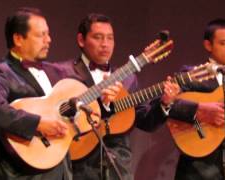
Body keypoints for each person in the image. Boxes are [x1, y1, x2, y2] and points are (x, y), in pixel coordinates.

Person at [0, 8, 121, 180]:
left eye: (48, 34)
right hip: (20, 175)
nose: (49, 40)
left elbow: (78, 114)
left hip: (61, 174)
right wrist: (38, 123)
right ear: (18, 39)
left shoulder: (56, 72)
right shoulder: (0, 72)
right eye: (41, 35)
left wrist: (103, 102)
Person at [58, 13, 180, 180]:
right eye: (98, 37)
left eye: (110, 38)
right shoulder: (63, 72)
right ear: (81, 40)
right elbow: (58, 113)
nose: (105, 44)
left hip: (118, 167)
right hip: (78, 166)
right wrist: (101, 104)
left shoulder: (127, 78)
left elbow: (144, 121)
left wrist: (165, 104)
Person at [140, 19, 225, 180]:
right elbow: (164, 103)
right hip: (198, 169)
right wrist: (200, 111)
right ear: (208, 45)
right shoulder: (192, 75)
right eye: (224, 43)